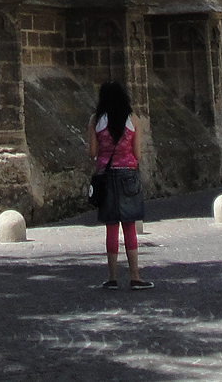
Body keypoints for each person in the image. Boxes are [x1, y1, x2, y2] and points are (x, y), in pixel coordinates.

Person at [89, 80, 151, 289]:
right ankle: (135, 276)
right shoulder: (133, 119)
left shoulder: (95, 120)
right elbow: (138, 154)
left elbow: (92, 152)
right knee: (130, 226)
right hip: (128, 175)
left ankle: (112, 277)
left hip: (105, 177)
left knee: (111, 228)